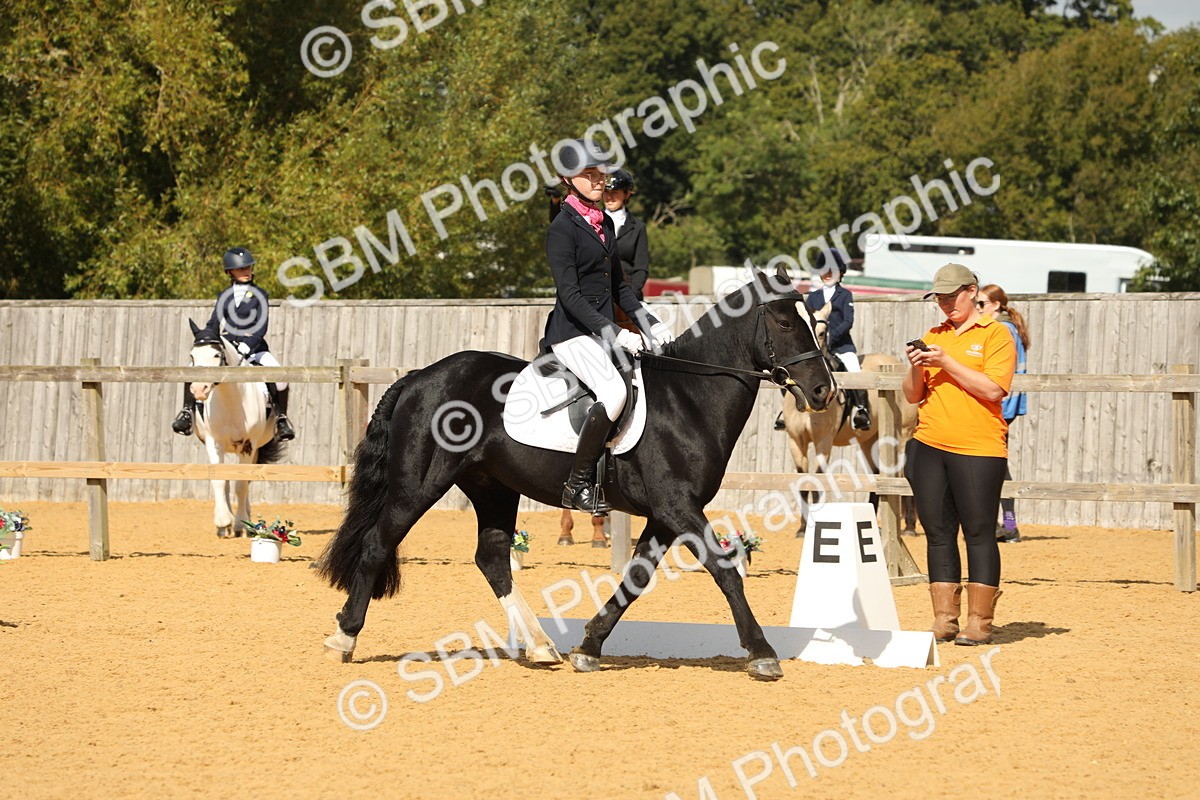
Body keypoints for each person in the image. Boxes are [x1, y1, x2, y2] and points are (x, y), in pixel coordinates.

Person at [540, 139, 674, 515]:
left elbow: (619, 288)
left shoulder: (604, 226)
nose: (601, 181)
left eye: (602, 174)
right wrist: (613, 332)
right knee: (614, 393)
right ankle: (577, 485)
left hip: (602, 328)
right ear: (569, 179)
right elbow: (570, 296)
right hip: (573, 333)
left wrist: (650, 322)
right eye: (591, 175)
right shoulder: (561, 230)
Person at [903, 263, 1016, 646]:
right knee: (937, 534)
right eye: (940, 297)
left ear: (972, 291)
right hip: (929, 444)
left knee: (979, 532)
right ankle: (944, 618)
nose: (946, 303)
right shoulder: (933, 335)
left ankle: (980, 622)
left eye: (952, 295)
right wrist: (917, 367)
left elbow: (993, 391)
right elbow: (912, 395)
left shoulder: (996, 336)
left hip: (978, 447)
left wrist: (947, 363)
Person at [171, 246, 295, 442]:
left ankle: (281, 419)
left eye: (248, 268)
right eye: (241, 269)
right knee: (191, 369)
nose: (246, 272)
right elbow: (214, 322)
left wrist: (247, 345)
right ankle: (187, 413)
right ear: (230, 272)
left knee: (281, 377)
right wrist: (206, 336)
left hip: (254, 348)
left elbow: (261, 326)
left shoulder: (260, 295)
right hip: (228, 347)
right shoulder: (224, 296)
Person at [978, 284, 1030, 543]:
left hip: (1000, 406)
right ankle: (1007, 525)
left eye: (982, 304)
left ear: (996, 305)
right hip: (1006, 405)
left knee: (996, 468)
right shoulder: (1010, 328)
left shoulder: (1002, 330)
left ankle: (1008, 525)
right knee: (999, 467)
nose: (978, 309)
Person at [806, 249, 870, 430]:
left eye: (831, 271)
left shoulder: (845, 295)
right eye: (824, 271)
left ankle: (861, 410)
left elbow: (848, 321)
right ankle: (787, 411)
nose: (827, 275)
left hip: (841, 345)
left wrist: (831, 337)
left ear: (840, 273)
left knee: (854, 370)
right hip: (817, 347)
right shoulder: (813, 297)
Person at [603, 169, 650, 300]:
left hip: (629, 293)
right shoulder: (592, 221)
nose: (609, 197)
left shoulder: (638, 227)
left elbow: (641, 268)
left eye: (614, 193)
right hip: (599, 294)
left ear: (627, 194)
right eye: (606, 192)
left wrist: (631, 296)